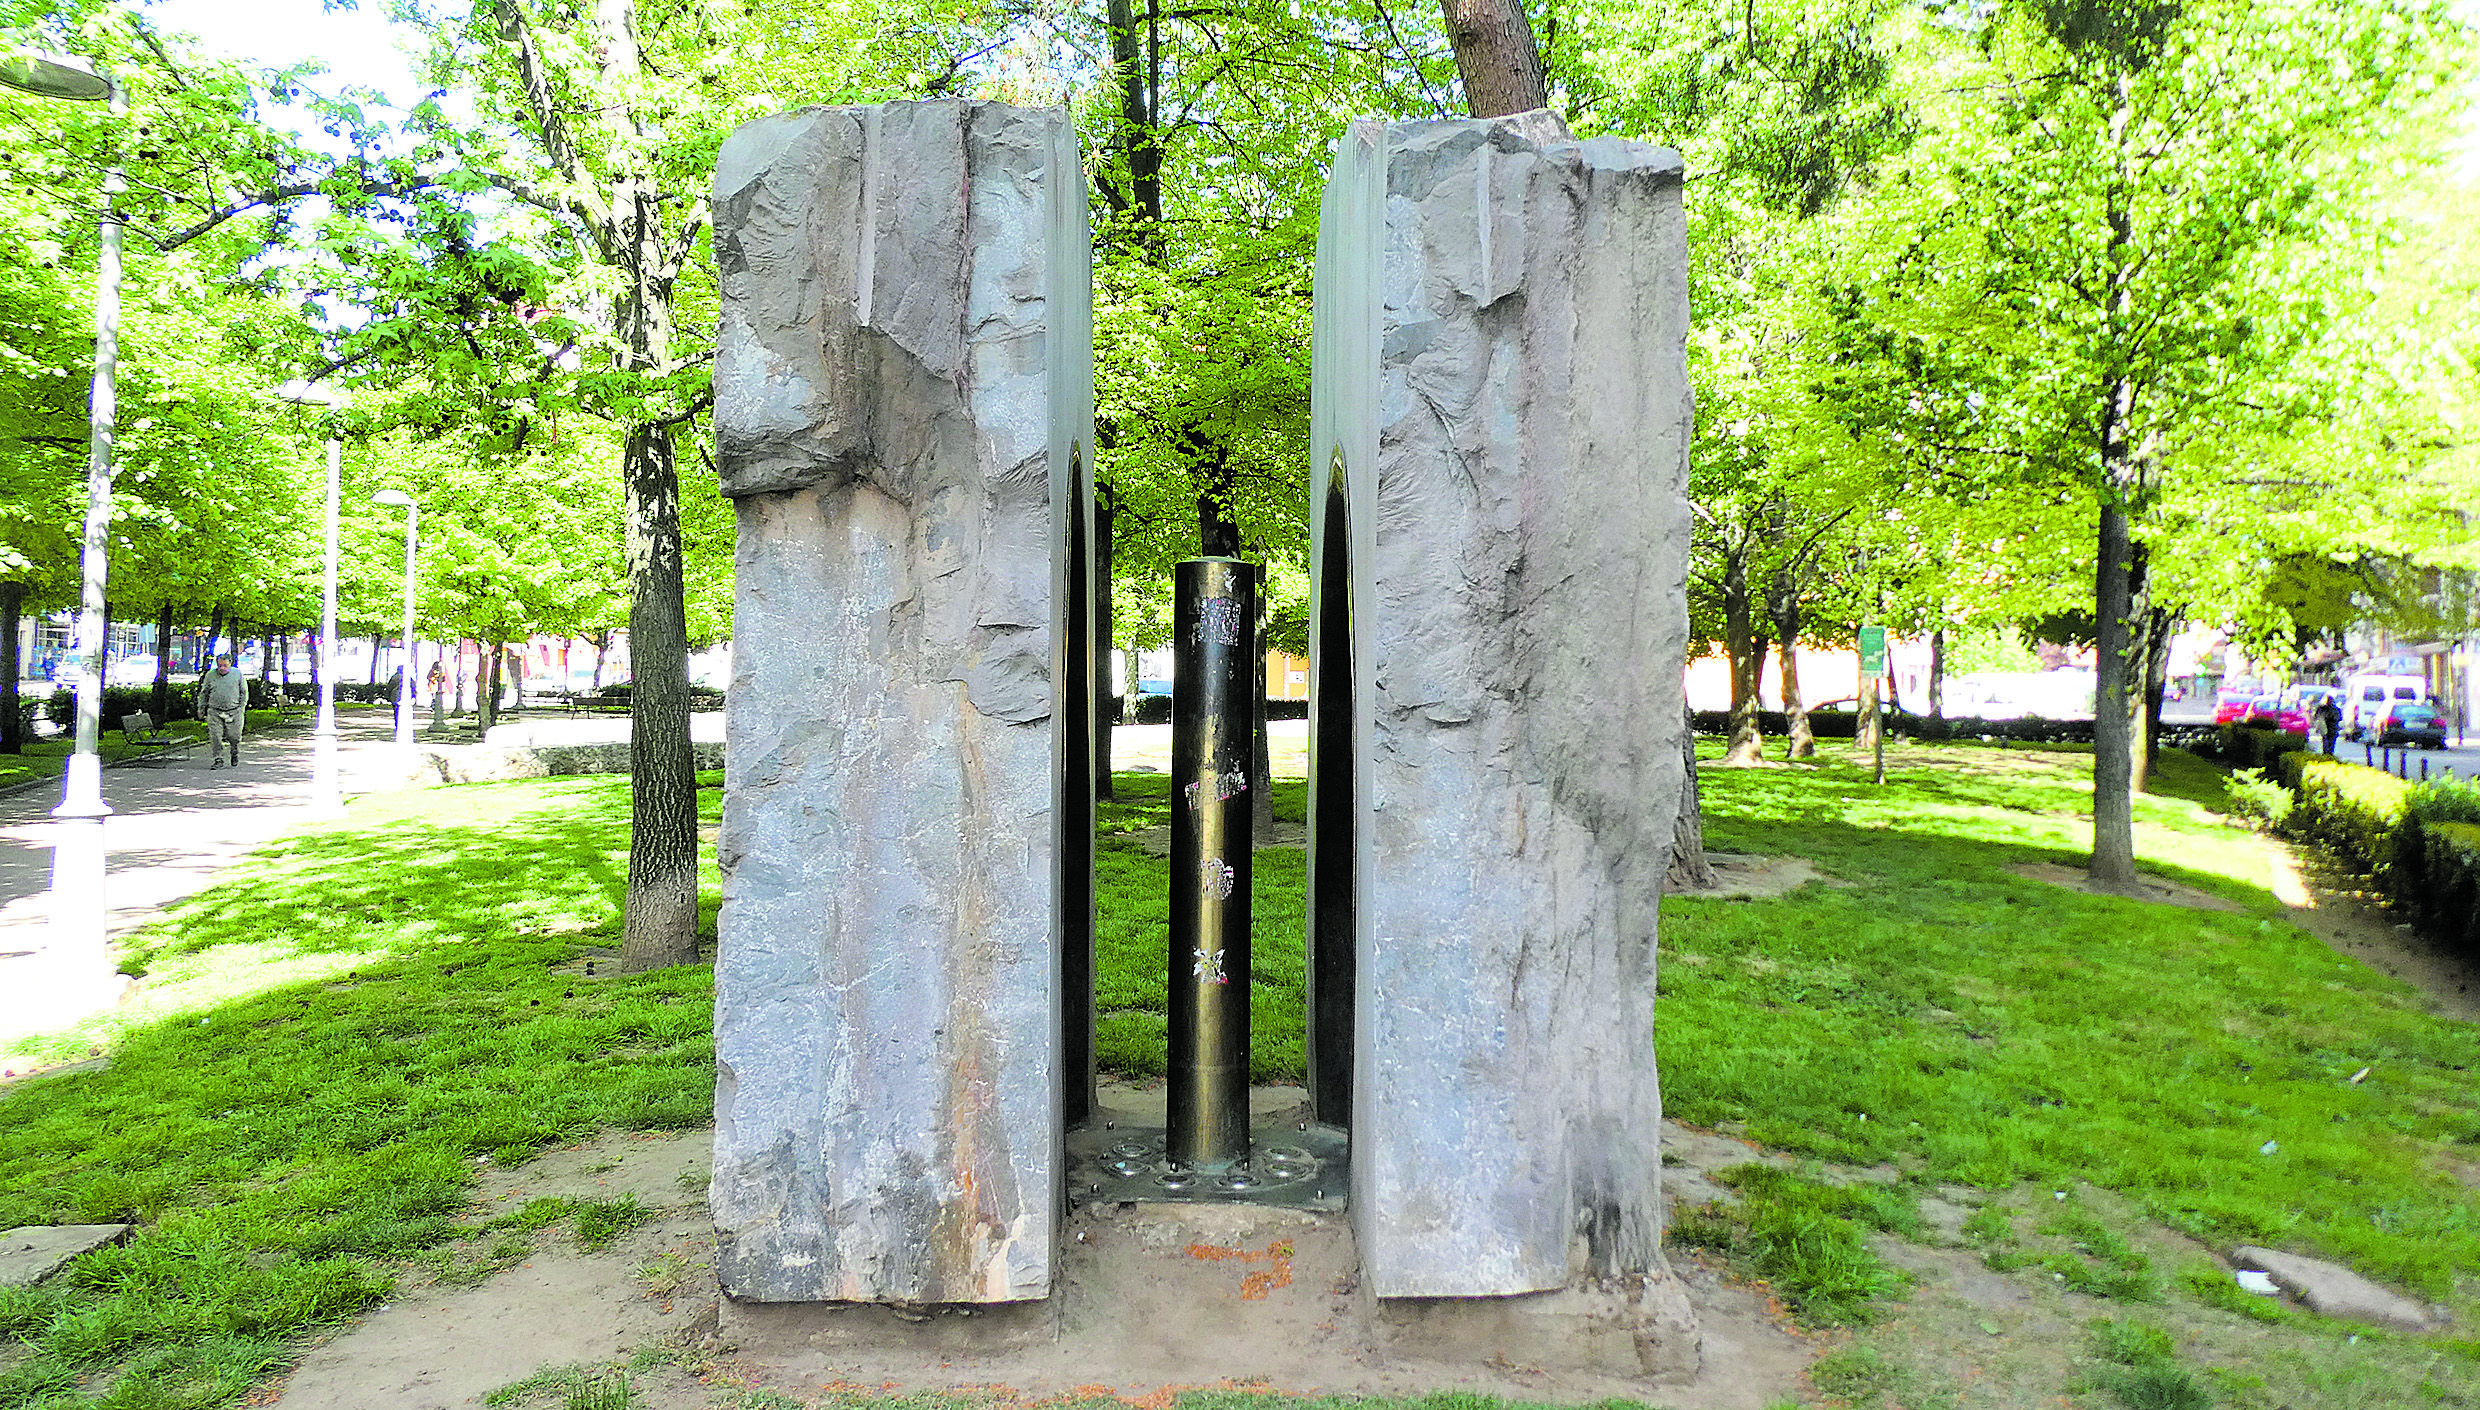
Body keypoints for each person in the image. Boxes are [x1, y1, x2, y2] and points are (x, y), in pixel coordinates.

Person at [197, 652, 247, 768]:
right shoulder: (210, 675)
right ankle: (218, 759)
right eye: (220, 665)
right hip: (214, 711)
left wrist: (241, 707)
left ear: (230, 664)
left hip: (234, 711)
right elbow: (204, 693)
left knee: (234, 736)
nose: (222, 668)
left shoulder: (237, 674)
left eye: (225, 665)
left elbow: (244, 692)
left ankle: (234, 751)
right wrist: (201, 708)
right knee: (216, 736)